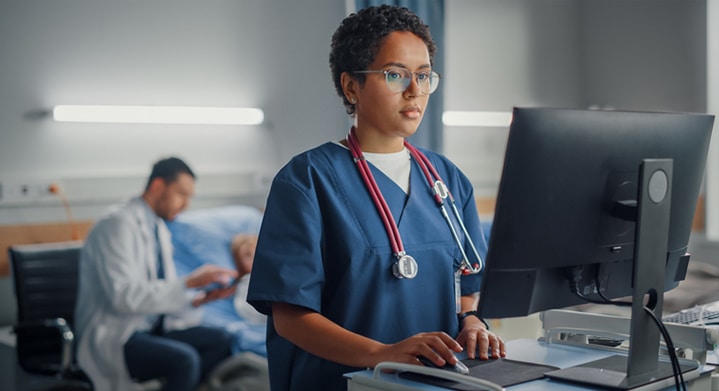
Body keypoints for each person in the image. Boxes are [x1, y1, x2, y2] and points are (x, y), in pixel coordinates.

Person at [247, 5, 506, 390]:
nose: (415, 90)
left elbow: (467, 289)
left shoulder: (449, 180)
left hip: (434, 382)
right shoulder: (307, 180)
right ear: (351, 86)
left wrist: (471, 322)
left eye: (423, 76)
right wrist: (381, 353)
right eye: (396, 75)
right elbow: (290, 317)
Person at [75, 156, 239, 391]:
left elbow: (162, 292)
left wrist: (197, 299)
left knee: (222, 340)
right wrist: (190, 282)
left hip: (151, 327)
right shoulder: (116, 225)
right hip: (118, 335)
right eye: (181, 194)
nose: (185, 205)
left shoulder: (158, 228)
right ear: (158, 186)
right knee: (184, 360)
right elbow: (124, 297)